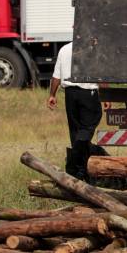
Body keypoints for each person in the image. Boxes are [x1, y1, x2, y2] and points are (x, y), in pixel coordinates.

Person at [47, 42, 109, 181]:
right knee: (87, 127)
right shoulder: (94, 50)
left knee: (75, 131)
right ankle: (73, 164)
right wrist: (105, 95)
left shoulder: (64, 49)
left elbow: (56, 76)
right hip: (88, 94)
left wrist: (52, 95)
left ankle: (81, 173)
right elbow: (101, 75)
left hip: (70, 94)